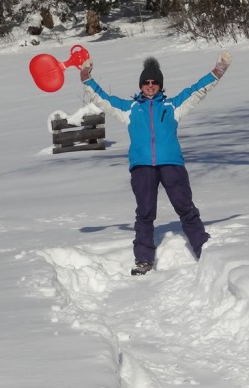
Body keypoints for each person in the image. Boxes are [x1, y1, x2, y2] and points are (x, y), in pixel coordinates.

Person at [81, 51, 232, 276]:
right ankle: (143, 259)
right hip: (142, 167)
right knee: (145, 213)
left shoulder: (173, 106)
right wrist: (86, 78)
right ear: (141, 85)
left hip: (172, 164)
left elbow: (197, 90)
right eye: (146, 82)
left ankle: (203, 248)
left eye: (154, 82)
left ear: (160, 85)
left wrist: (217, 71)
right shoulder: (129, 109)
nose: (150, 86)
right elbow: (102, 98)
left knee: (186, 208)